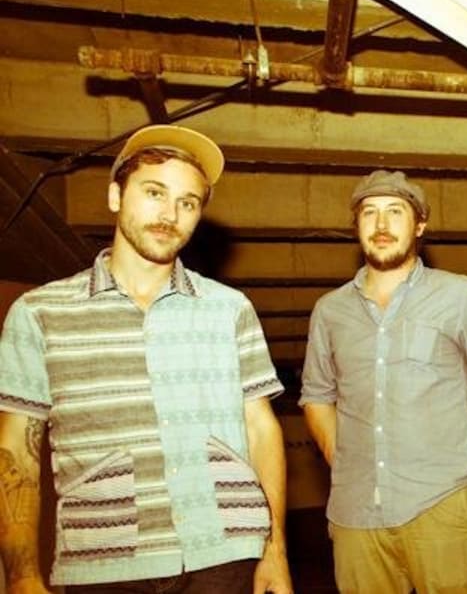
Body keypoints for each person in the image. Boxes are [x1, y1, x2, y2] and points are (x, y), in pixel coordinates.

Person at [0, 125, 292, 594]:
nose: (169, 214)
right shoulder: (40, 313)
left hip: (225, 555)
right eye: (154, 193)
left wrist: (274, 551)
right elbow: (17, 449)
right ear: (115, 196)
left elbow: (260, 429)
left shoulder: (229, 308)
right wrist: (21, 575)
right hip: (104, 562)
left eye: (187, 202)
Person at [300, 170, 467, 594]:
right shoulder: (329, 311)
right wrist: (345, 461)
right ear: (356, 227)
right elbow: (317, 395)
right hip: (355, 515)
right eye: (369, 213)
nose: (381, 224)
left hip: (440, 505)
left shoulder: (458, 295)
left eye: (395, 212)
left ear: (419, 225)